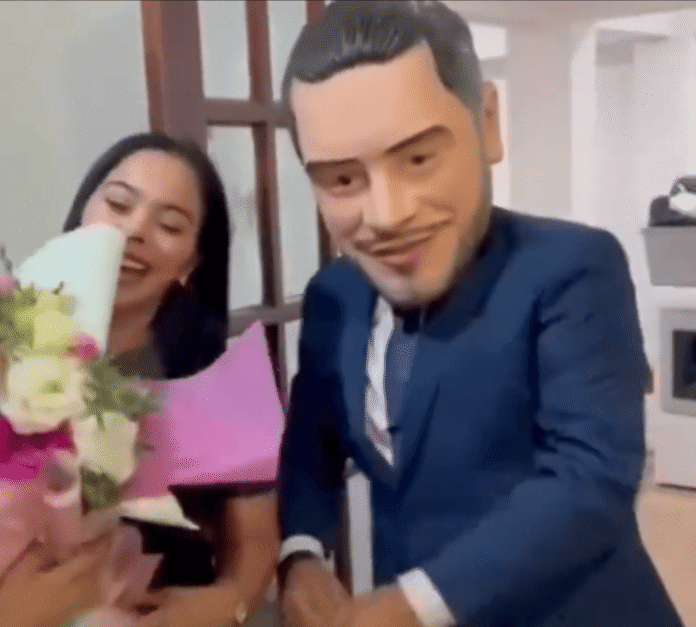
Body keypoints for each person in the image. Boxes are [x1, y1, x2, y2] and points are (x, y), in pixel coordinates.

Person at [276, 2, 682, 627]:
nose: (385, 216)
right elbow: (311, 445)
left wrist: (410, 603)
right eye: (342, 181)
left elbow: (589, 479)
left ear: (487, 122)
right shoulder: (334, 297)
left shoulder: (572, 268)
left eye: (418, 159)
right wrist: (301, 553)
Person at [61, 132, 280, 627]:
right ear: (82, 215)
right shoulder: (16, 337)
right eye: (119, 204)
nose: (134, 230)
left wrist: (229, 600)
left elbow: (255, 543)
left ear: (191, 263)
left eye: (170, 225)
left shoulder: (218, 380)